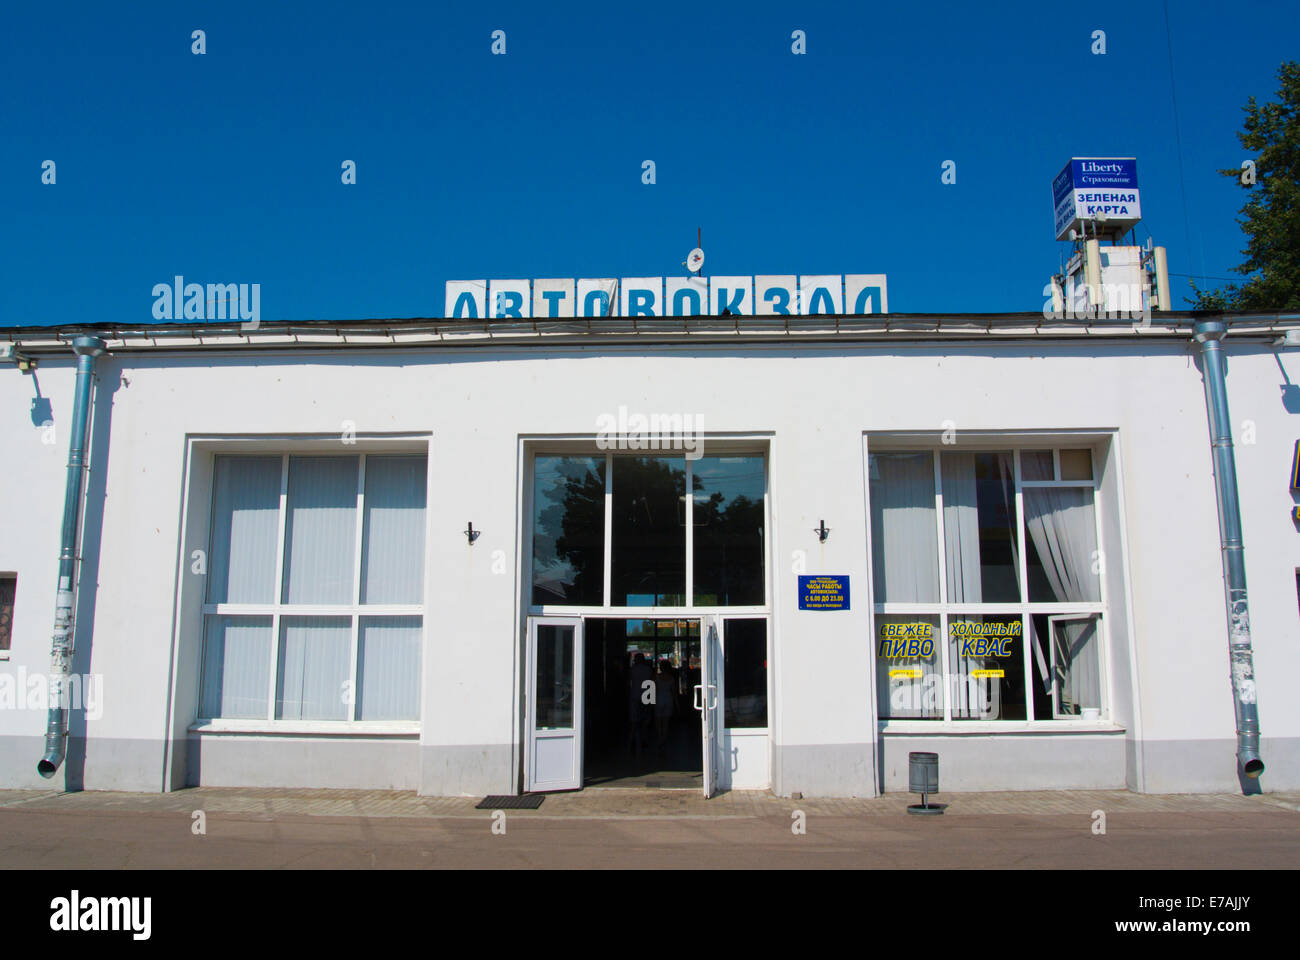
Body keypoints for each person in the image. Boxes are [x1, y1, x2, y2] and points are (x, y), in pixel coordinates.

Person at [627, 652, 654, 758]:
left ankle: (632, 740)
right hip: (646, 696)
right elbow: (652, 683)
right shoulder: (648, 670)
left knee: (634, 721)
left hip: (634, 696)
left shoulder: (633, 670)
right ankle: (643, 740)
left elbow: (628, 682)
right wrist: (652, 700)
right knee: (645, 720)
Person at [654, 659, 676, 753]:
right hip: (668, 699)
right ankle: (664, 740)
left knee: (658, 722)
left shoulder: (656, 677)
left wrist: (649, 703)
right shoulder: (671, 678)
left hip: (658, 699)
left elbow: (652, 690)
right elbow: (674, 693)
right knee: (666, 723)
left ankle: (660, 739)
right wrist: (677, 706)